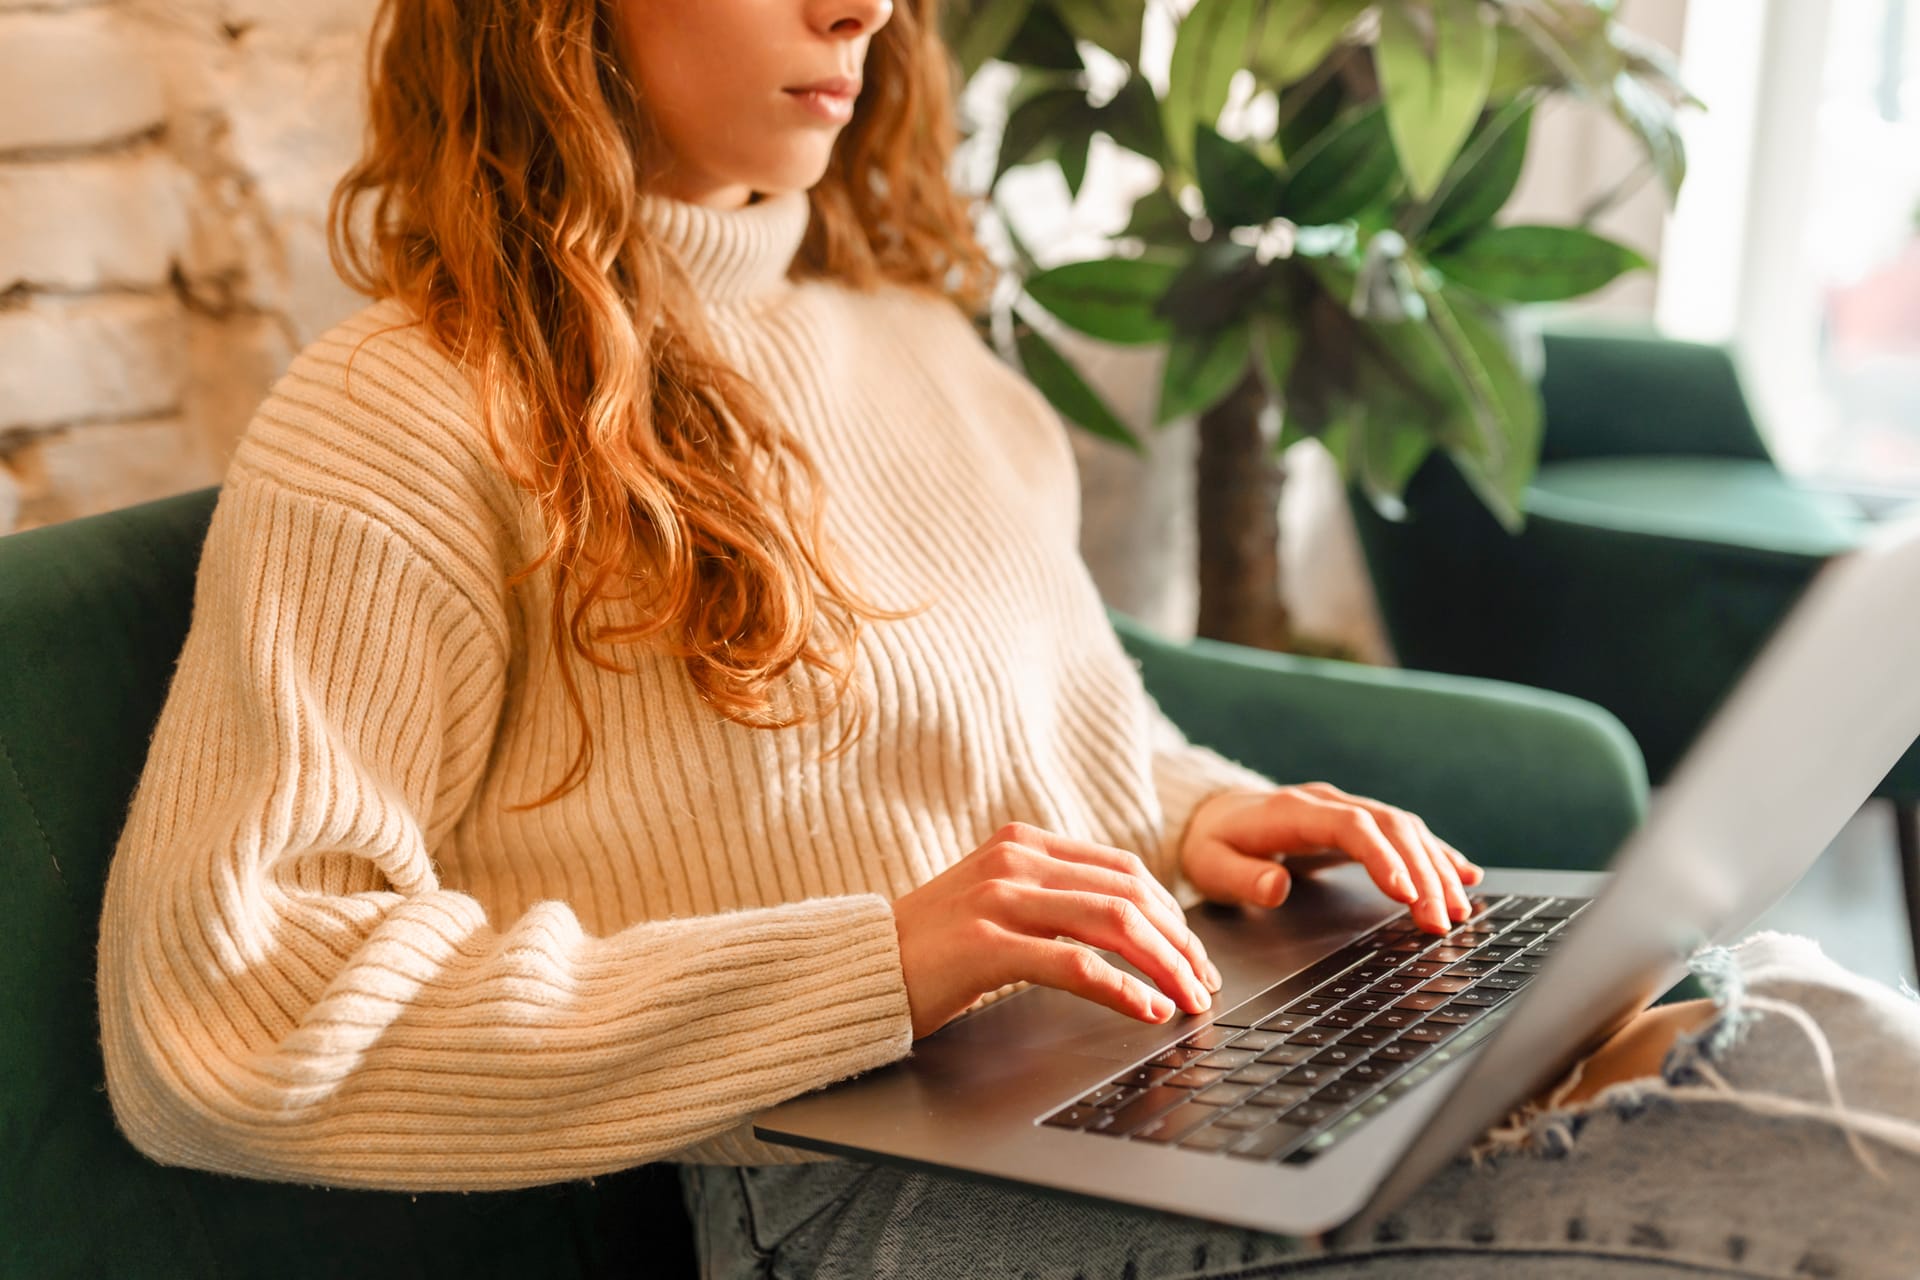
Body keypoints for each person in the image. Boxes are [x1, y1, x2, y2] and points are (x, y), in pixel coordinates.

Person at [93, 0, 1920, 1275]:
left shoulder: (920, 352)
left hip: (1152, 1074)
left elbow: (1077, 734)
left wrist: (1197, 812)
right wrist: (873, 964)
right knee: (1817, 1154)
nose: (863, 5)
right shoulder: (408, 415)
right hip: (861, 1207)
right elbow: (230, 1019)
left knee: (1803, 1020)